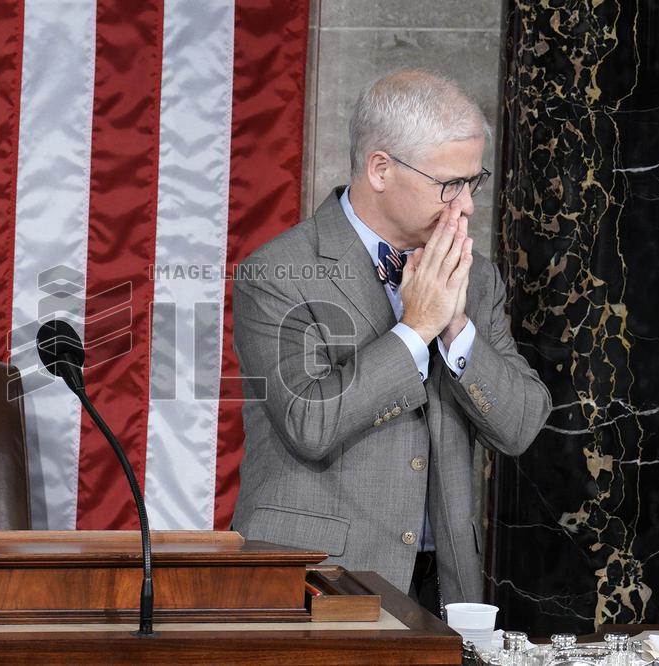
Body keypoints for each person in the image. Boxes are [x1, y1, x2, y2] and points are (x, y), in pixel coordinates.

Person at [230, 69, 552, 612]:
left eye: (474, 183)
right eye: (450, 185)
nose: (467, 206)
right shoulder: (278, 271)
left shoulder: (477, 279)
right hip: (316, 577)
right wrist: (416, 329)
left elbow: (520, 426)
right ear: (380, 169)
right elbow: (310, 422)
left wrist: (455, 328)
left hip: (441, 585)